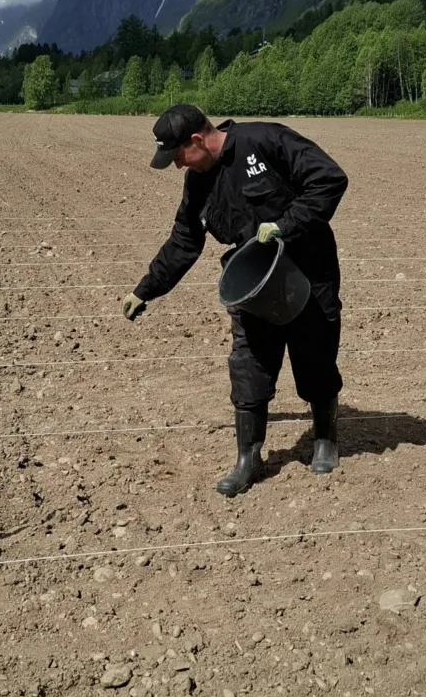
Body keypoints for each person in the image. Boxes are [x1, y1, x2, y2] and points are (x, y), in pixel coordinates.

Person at [122, 104, 348, 496]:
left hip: (308, 273)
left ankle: (325, 439)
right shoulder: (198, 182)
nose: (177, 166)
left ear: (196, 140)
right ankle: (248, 458)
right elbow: (184, 241)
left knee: (316, 356)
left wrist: (285, 225)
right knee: (249, 365)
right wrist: (146, 289)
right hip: (254, 283)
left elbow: (330, 179)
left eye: (177, 156)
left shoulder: (266, 141)